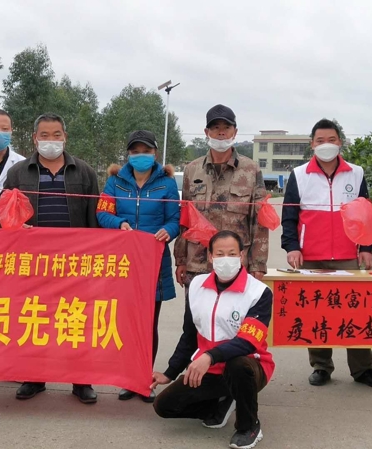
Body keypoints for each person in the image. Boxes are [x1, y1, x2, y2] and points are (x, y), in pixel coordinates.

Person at [2, 113, 100, 404]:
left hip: (74, 260)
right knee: (34, 318)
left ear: (65, 137)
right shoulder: (19, 173)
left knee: (76, 320)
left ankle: (81, 381)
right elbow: (3, 213)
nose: (51, 140)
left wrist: (94, 254)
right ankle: (33, 377)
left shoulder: (84, 172)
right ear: (35, 138)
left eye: (56, 135)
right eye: (44, 135)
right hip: (33, 261)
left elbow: (94, 218)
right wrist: (15, 226)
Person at [281, 118, 372, 389]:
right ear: (311, 144)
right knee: (316, 312)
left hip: (347, 255)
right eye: (320, 140)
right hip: (311, 255)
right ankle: (321, 366)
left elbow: (365, 214)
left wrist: (366, 247)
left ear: (340, 142)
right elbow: (289, 217)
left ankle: (363, 369)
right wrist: (292, 247)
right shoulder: (299, 174)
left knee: (355, 311)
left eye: (331, 140)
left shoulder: (356, 173)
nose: (325, 145)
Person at [152, 231, 273, 449]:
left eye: (232, 254)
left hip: (249, 367)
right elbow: (189, 335)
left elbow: (247, 342)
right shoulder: (197, 286)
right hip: (209, 369)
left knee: (238, 365)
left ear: (242, 255)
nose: (226, 259)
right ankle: (221, 404)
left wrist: (209, 356)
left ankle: (249, 426)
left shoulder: (258, 292)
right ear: (210, 256)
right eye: (220, 253)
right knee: (165, 406)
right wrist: (170, 373)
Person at [97, 130, 180, 402]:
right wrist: (118, 223)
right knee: (124, 323)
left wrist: (168, 231)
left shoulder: (166, 184)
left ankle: (145, 379)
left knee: (148, 323)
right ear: (128, 155)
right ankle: (128, 379)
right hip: (122, 262)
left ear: (155, 154)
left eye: (146, 151)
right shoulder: (115, 181)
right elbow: (102, 212)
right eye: (135, 152)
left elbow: (175, 219)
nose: (140, 156)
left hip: (153, 261)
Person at [174, 104, 269, 305]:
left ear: (235, 131)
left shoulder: (251, 170)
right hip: (198, 263)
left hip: (236, 263)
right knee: (196, 319)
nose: (221, 132)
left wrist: (258, 263)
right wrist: (181, 260)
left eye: (226, 127)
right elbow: (185, 218)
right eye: (215, 127)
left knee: (234, 317)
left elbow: (259, 221)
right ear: (206, 132)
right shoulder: (192, 170)